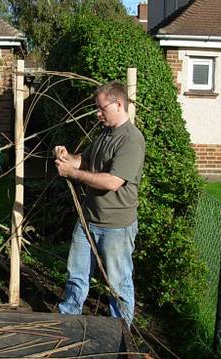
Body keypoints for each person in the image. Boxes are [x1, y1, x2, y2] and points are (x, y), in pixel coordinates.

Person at [54, 81, 145, 325]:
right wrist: (67, 158)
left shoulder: (131, 140)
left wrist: (72, 174)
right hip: (88, 220)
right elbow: (84, 160)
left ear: (118, 104)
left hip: (116, 225)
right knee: (76, 275)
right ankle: (68, 319)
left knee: (118, 282)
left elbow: (113, 181)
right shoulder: (106, 133)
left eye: (101, 108)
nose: (97, 113)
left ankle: (121, 331)